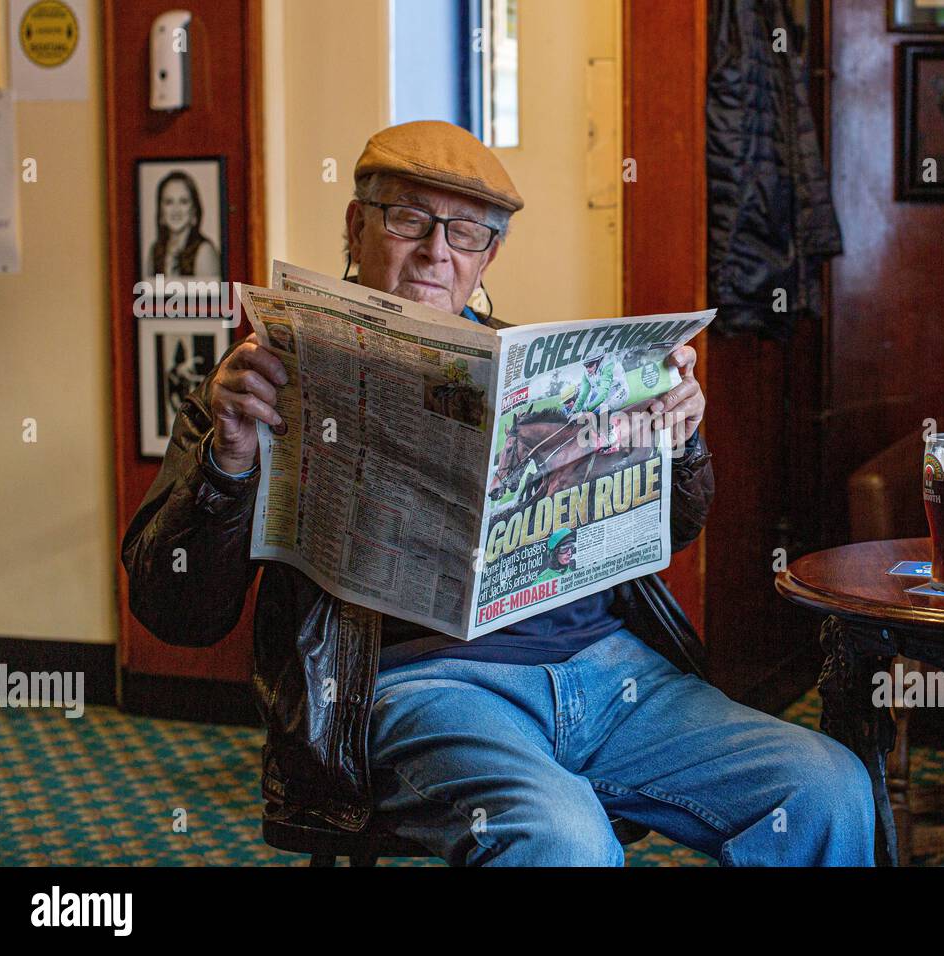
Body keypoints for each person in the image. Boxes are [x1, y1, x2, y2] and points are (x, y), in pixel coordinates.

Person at [121, 120, 875, 866]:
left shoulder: (542, 375)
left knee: (826, 787)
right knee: (560, 839)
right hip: (427, 688)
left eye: (467, 234)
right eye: (409, 218)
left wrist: (678, 443)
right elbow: (174, 609)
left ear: (491, 255)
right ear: (356, 225)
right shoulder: (257, 385)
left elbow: (672, 530)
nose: (435, 252)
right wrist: (229, 462)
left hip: (612, 672)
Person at [149, 171, 221, 279]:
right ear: (161, 211)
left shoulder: (205, 252)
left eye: (183, 201)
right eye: (169, 202)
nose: (176, 210)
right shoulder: (155, 252)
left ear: (194, 210)